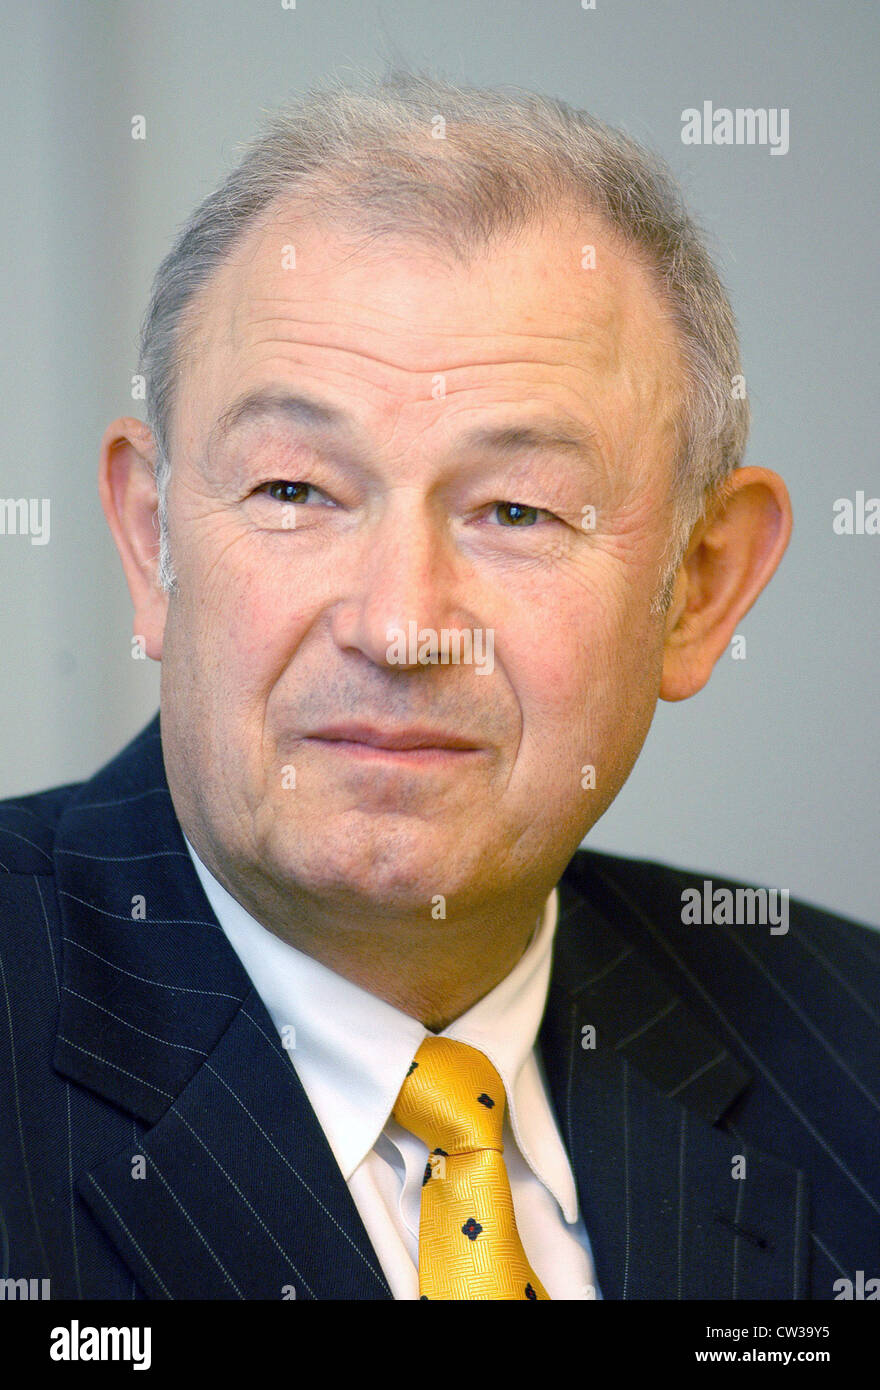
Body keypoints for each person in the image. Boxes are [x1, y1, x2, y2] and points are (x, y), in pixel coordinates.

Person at [1, 70, 877, 1302]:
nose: (401, 626)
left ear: (698, 585)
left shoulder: (853, 1055)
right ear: (154, 543)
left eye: (516, 509)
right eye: (294, 491)